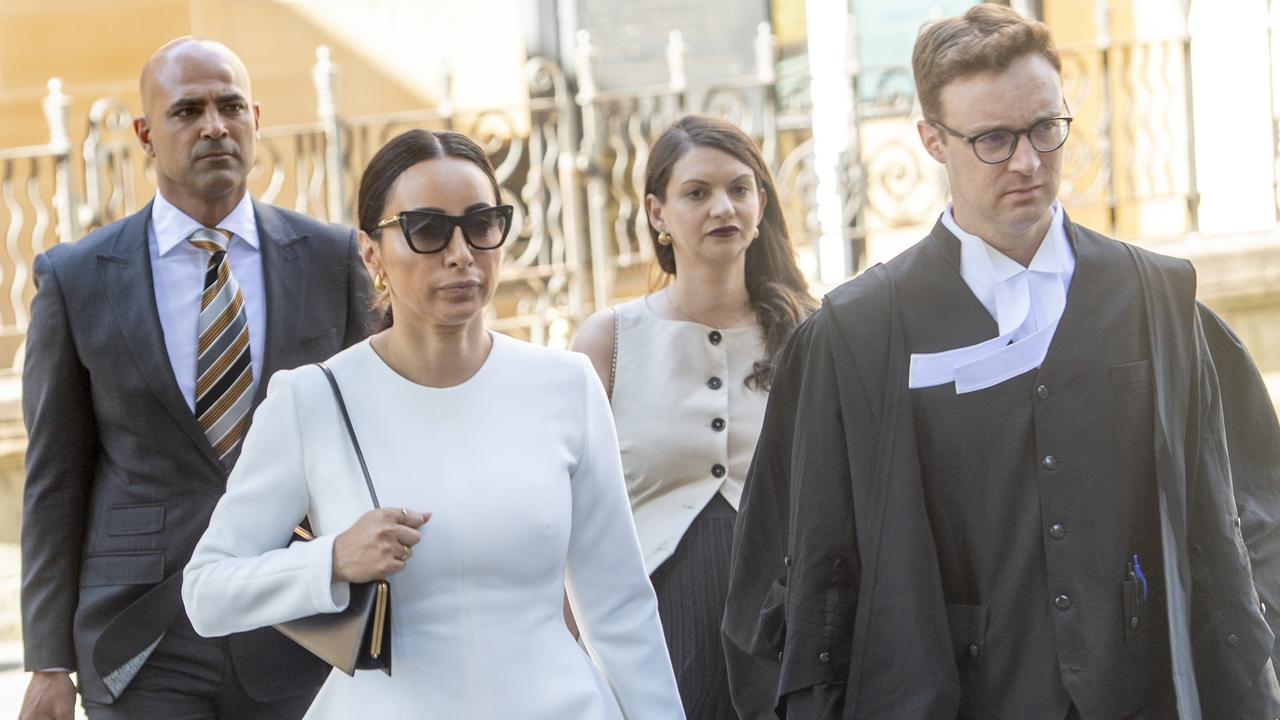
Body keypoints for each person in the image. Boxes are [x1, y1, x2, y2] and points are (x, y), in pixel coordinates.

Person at [722, 5, 1280, 720]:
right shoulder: (859, 336)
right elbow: (800, 566)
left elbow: (1241, 511)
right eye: (992, 139)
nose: (1027, 162)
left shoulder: (1153, 301)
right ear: (931, 140)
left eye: (1046, 128)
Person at [181, 128, 685, 719]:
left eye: (481, 223)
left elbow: (621, 607)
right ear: (372, 255)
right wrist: (331, 560)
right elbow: (206, 591)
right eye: (426, 229)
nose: (460, 253)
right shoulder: (313, 400)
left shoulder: (566, 386)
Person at [18, 38, 373, 720]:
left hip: (299, 624)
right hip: (141, 638)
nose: (214, 125)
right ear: (145, 135)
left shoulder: (331, 260)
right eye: (188, 110)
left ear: (257, 119)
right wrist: (48, 660)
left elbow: (377, 436)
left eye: (230, 106)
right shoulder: (78, 278)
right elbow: (54, 478)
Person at [573, 114, 814, 719]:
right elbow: (566, 511)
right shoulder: (609, 342)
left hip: (787, 623)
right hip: (650, 629)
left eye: (739, 188)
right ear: (657, 213)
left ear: (761, 201)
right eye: (697, 193)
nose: (723, 207)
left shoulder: (812, 334)